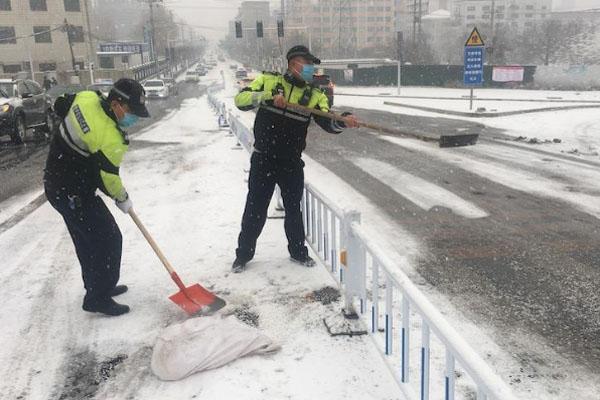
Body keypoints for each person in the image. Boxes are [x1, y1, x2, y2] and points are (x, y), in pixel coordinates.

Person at [231, 45, 359, 273]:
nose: (310, 69)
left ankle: (298, 252)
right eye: (307, 64)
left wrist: (343, 120)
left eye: (312, 65)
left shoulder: (314, 95)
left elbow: (328, 120)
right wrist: (268, 97)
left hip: (291, 163)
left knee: (293, 210)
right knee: (255, 208)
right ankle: (243, 255)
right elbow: (240, 100)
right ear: (293, 64)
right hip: (263, 161)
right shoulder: (268, 81)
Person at [44, 78, 149, 316]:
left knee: (87, 240)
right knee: (109, 239)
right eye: (132, 111)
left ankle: (97, 286)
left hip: (57, 184)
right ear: (116, 104)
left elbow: (60, 104)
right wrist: (123, 199)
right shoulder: (109, 137)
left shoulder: (87, 97)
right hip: (73, 191)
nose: (133, 118)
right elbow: (109, 179)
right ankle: (98, 296)